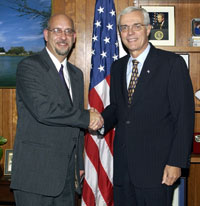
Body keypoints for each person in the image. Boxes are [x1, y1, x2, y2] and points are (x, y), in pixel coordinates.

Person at [99, 6, 194, 206]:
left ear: (149, 29)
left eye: (136, 26)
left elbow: (184, 117)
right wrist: (99, 121)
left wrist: (176, 162)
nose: (130, 32)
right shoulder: (117, 67)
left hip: (157, 170)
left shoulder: (171, 64)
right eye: (124, 27)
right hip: (124, 171)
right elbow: (118, 108)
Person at [10, 14, 103, 206]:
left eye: (68, 31)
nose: (63, 36)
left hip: (67, 177)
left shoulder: (76, 75)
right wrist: (88, 117)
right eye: (57, 30)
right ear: (46, 34)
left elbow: (75, 127)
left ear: (74, 37)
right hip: (35, 177)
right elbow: (43, 110)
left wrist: (78, 164)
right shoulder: (29, 66)